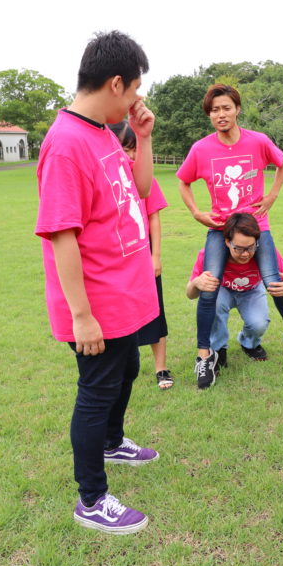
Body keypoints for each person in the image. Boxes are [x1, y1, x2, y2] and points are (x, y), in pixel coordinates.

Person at [35, 31, 160, 535]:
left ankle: (112, 442)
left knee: (126, 370)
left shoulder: (103, 132)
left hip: (124, 294)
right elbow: (61, 236)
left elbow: (141, 190)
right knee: (96, 390)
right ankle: (91, 498)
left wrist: (143, 137)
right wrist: (82, 316)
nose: (135, 99)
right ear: (115, 83)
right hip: (97, 303)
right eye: (134, 89)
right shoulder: (66, 145)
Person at [176, 84, 283, 389]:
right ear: (209, 114)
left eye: (226, 108)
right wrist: (196, 212)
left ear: (237, 109)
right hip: (220, 228)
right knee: (209, 284)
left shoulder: (257, 141)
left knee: (274, 280)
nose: (221, 114)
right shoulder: (201, 149)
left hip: (256, 225)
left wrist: (271, 195)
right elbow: (183, 181)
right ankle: (205, 355)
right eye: (214, 110)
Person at [185, 213, 283, 376]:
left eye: (250, 247)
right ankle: (217, 349)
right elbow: (190, 295)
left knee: (259, 323)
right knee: (214, 305)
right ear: (227, 242)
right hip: (222, 290)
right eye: (238, 248)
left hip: (251, 291)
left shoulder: (265, 253)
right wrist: (196, 283)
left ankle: (249, 343)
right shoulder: (209, 255)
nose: (245, 254)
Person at [109, 120, 173, 390]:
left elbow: (154, 217)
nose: (132, 156)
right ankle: (121, 367)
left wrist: (155, 256)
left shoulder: (144, 175)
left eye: (135, 149)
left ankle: (161, 367)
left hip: (143, 255)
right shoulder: (107, 176)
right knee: (119, 314)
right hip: (116, 259)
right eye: (126, 149)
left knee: (155, 310)